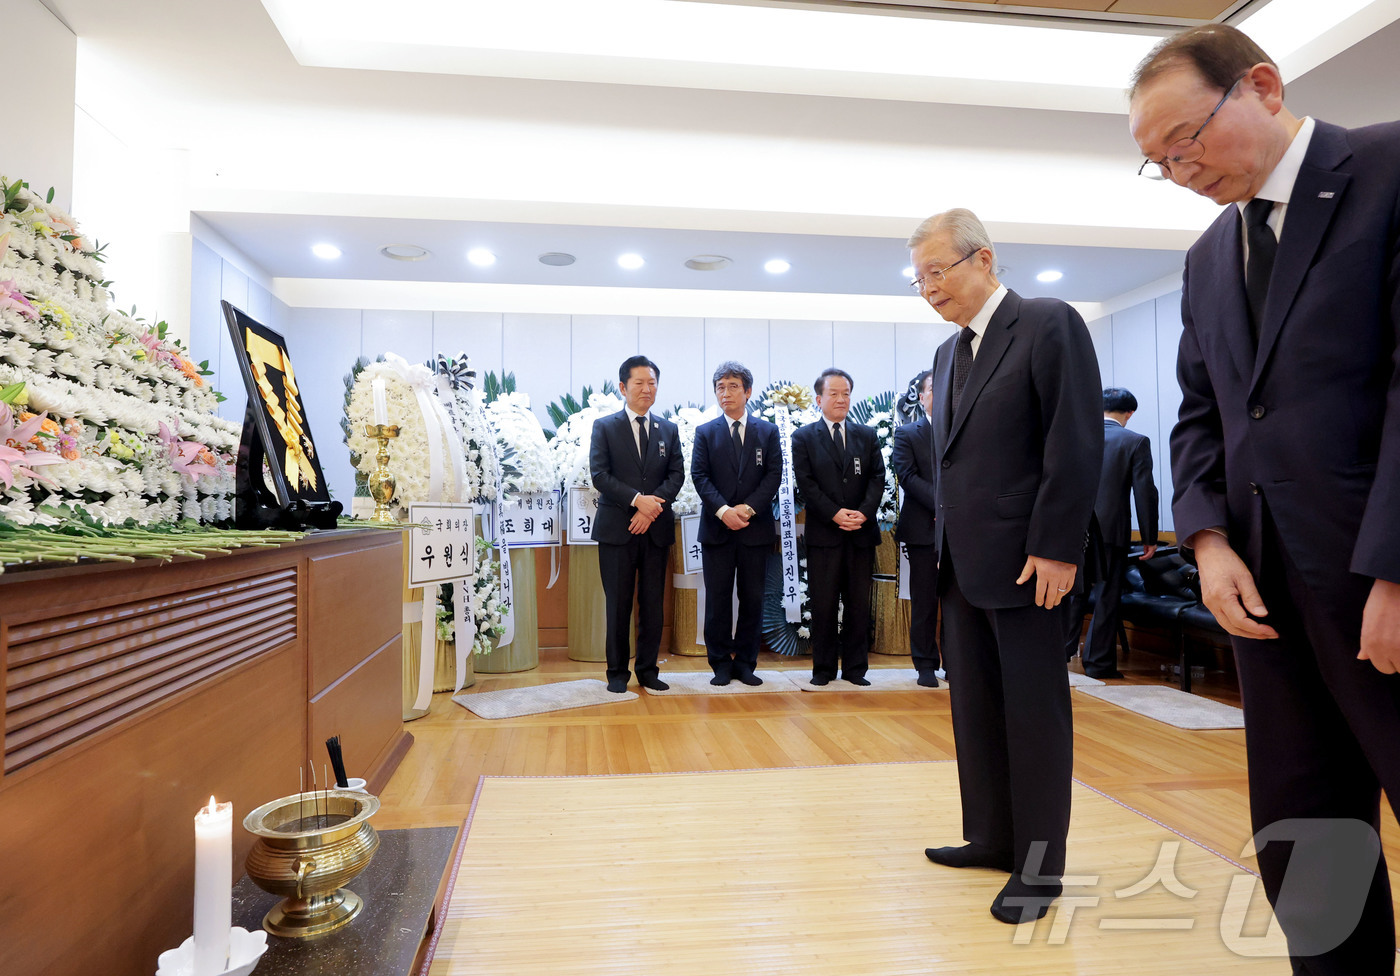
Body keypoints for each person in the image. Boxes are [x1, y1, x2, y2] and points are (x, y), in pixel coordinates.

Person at [1129, 24, 1400, 973]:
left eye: (1186, 138)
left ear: (1263, 86)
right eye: (1160, 161)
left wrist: (1395, 570)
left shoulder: (1386, 170)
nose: (1180, 169)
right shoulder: (1208, 255)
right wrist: (1206, 542)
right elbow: (1202, 415)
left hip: (1376, 574)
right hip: (1263, 595)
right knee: (1308, 837)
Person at [910, 208, 1101, 925]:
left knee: (1033, 717)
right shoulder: (947, 353)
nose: (929, 288)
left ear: (983, 259)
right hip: (961, 565)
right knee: (977, 710)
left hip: (1028, 563)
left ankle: (1040, 870)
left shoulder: (1048, 323)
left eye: (938, 271)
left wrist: (1057, 545)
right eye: (919, 278)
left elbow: (1072, 441)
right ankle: (992, 837)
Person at [589, 355, 684, 694]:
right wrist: (636, 500)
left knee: (653, 604)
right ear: (623, 387)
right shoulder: (605, 426)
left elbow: (677, 475)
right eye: (639, 383)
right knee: (618, 604)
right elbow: (600, 475)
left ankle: (648, 670)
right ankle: (617, 674)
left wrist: (650, 509)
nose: (647, 389)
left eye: (652, 383)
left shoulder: (668, 429)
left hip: (655, 530)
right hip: (617, 530)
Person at [790, 367, 885, 686]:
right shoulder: (803, 437)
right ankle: (823, 669)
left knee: (858, 604)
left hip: (860, 533)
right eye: (834, 393)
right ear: (819, 399)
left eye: (846, 393)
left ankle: (856, 669)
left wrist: (863, 513)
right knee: (824, 603)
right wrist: (834, 513)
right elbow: (806, 483)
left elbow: (877, 477)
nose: (841, 399)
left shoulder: (867, 435)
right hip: (825, 534)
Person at [690, 361, 783, 686]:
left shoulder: (767, 432)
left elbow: (774, 475)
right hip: (717, 529)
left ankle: (745, 663)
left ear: (748, 391)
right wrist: (723, 511)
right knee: (717, 600)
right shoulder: (705, 432)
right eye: (720, 387)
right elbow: (699, 476)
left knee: (752, 598)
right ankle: (719, 664)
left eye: (733, 386)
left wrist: (748, 508)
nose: (725, 393)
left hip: (754, 530)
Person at [1063, 387, 1159, 679]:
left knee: (1073, 594)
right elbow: (1145, 492)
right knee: (1106, 596)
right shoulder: (1135, 441)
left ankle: (1059, 655)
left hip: (1073, 530)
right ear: (1130, 413)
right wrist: (1149, 537)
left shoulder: (1075, 439)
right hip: (1110, 532)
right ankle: (1098, 663)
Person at [890, 369, 943, 687]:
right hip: (924, 528)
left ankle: (958, 663)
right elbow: (907, 477)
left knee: (960, 602)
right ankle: (925, 664)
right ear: (922, 397)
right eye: (933, 388)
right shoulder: (907, 434)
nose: (940, 392)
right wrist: (943, 506)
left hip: (962, 530)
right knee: (925, 599)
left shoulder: (965, 430)